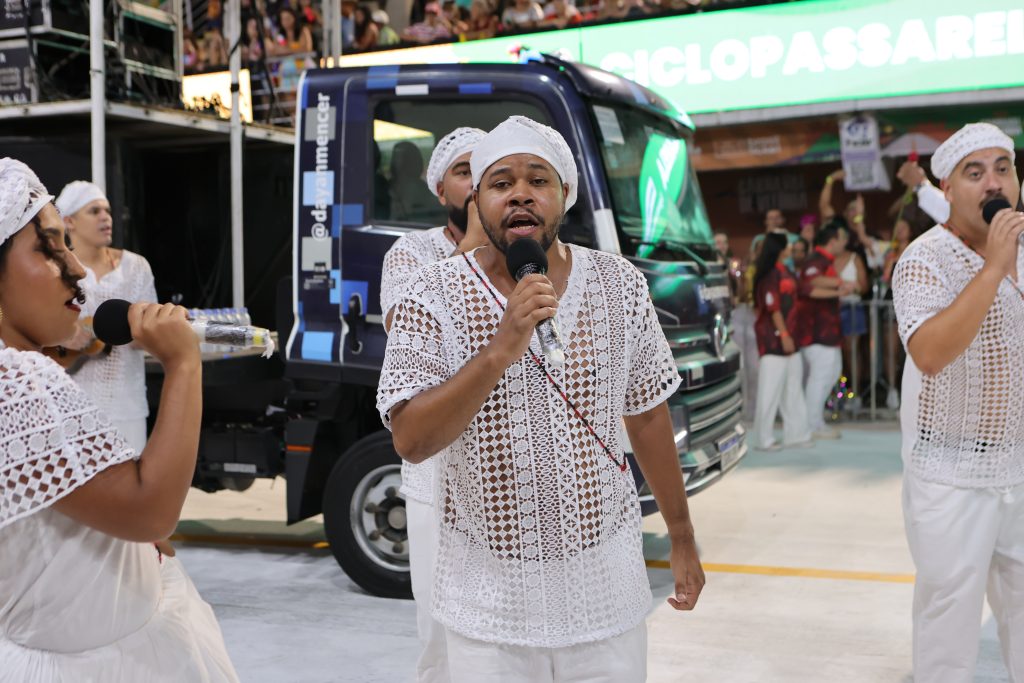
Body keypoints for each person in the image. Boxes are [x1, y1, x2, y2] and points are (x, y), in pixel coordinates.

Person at [378, 116, 704, 682]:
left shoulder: (619, 284)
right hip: (489, 605)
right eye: (501, 183)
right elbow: (411, 439)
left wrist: (681, 536)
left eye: (538, 180)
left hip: (604, 591)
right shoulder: (432, 293)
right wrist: (498, 351)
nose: (520, 194)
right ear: (477, 201)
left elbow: (648, 415)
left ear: (565, 194)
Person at [0, 158, 238, 681]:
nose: (75, 270)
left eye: (67, 245)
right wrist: (183, 363)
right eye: (48, 248)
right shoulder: (18, 380)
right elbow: (151, 512)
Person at [891, 123, 1024, 682]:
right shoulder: (924, 260)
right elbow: (929, 353)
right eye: (975, 173)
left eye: (1003, 168)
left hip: (1018, 467)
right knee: (949, 631)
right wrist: (994, 266)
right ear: (946, 189)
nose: (993, 183)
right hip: (951, 476)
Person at [379, 126, 486, 683]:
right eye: (465, 172)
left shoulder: (525, 255)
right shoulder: (411, 254)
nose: (478, 184)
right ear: (441, 189)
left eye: (488, 171)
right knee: (441, 627)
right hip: (437, 469)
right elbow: (406, 334)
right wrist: (474, 247)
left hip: (503, 470)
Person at [55, 181, 158, 453]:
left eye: (108, 211)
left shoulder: (136, 266)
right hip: (70, 407)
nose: (106, 218)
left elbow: (149, 336)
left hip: (127, 405)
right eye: (94, 211)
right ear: (69, 221)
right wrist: (64, 336)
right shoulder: (58, 269)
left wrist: (149, 332)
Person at [796, 221, 855, 439]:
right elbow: (811, 283)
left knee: (831, 373)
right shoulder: (815, 260)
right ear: (832, 241)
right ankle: (811, 425)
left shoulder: (823, 261)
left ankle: (815, 420)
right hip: (816, 331)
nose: (845, 243)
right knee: (820, 376)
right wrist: (840, 284)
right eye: (842, 238)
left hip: (827, 331)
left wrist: (839, 288)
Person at [752, 233, 811, 451]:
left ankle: (797, 434)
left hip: (792, 338)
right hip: (773, 340)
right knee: (769, 390)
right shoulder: (769, 275)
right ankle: (764, 438)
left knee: (793, 387)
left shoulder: (787, 271)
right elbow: (773, 307)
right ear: (780, 248)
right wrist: (783, 334)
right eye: (787, 244)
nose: (791, 247)